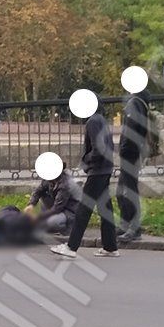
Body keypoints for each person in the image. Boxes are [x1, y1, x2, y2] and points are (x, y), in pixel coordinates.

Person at [51, 105, 119, 259]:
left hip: (98, 170)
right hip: (105, 169)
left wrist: (86, 160)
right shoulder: (101, 120)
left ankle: (71, 247)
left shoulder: (92, 122)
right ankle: (110, 247)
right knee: (105, 209)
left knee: (83, 209)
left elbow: (98, 148)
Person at [116, 80, 151, 243]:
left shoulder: (134, 103)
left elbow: (131, 128)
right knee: (121, 190)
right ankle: (125, 225)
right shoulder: (141, 102)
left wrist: (124, 148)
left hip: (130, 153)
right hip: (133, 151)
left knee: (129, 191)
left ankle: (134, 228)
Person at [25, 164, 80, 239]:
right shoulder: (48, 179)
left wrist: (38, 218)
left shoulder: (65, 184)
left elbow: (57, 208)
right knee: (43, 196)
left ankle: (67, 229)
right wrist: (31, 205)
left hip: (69, 212)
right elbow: (37, 192)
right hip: (57, 209)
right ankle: (48, 226)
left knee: (52, 222)